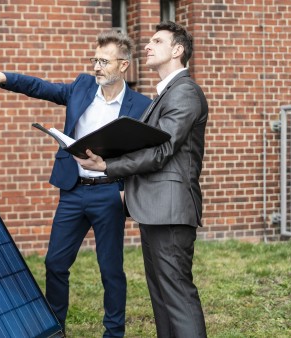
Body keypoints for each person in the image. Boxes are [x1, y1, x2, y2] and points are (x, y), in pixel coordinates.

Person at [0, 31, 151, 337]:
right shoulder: (82, 87)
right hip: (73, 191)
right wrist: (2, 76)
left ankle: (114, 332)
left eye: (104, 61)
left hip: (110, 193)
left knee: (111, 271)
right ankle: (56, 328)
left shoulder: (141, 105)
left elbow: (146, 153)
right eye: (94, 60)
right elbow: (40, 87)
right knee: (55, 263)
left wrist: (129, 191)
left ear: (124, 66)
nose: (96, 67)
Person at [78, 21, 208, 337]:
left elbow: (162, 151)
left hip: (170, 210)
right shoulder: (166, 94)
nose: (147, 46)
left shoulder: (185, 93)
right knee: (162, 298)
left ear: (177, 50)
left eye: (157, 41)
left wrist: (108, 165)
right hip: (155, 209)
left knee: (176, 295)